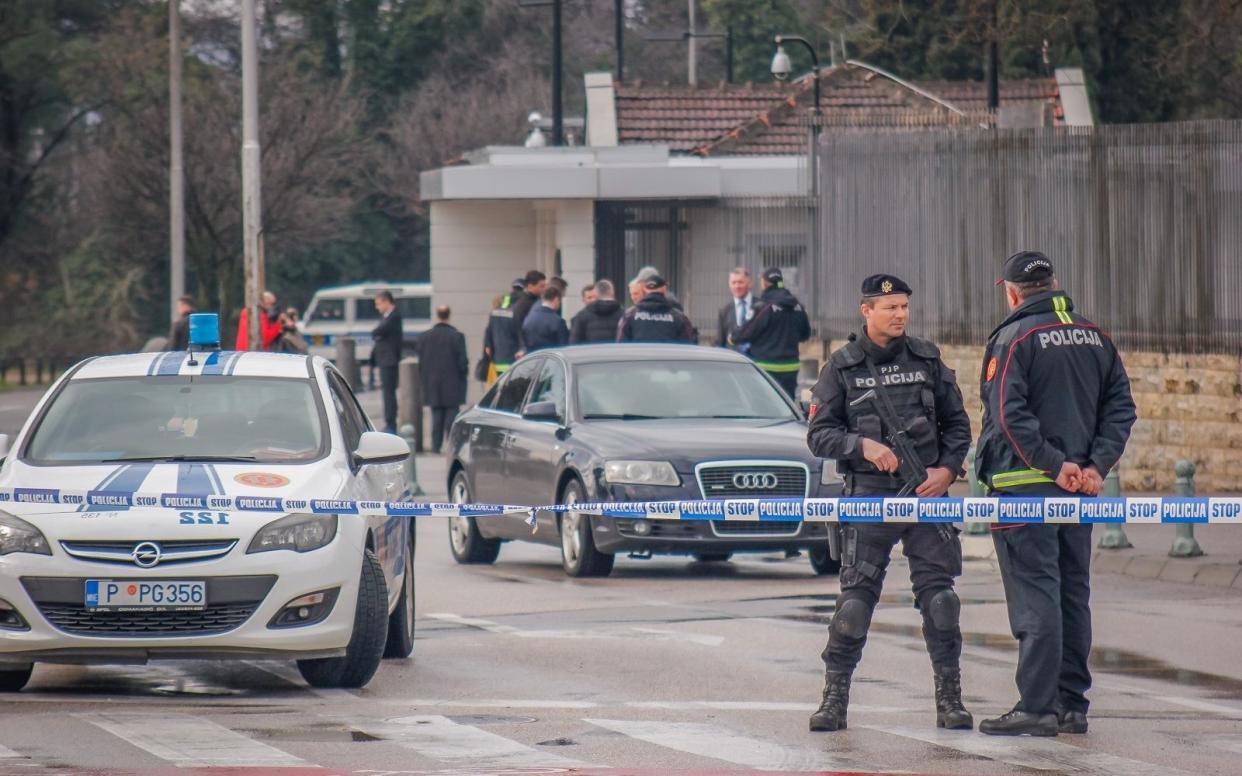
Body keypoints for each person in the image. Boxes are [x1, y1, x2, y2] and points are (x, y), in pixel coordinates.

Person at [976, 252, 1136, 737]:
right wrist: (1093, 467)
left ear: (1010, 291)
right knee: (1072, 595)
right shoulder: (1097, 336)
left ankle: (1036, 706)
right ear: (1055, 283)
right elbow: (1121, 410)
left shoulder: (1014, 337)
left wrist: (1053, 464)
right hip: (1078, 493)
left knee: (1036, 598)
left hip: (1024, 490)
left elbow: (1008, 415)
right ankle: (1072, 705)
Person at [805, 273, 973, 733]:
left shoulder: (927, 359)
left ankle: (950, 698)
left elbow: (958, 426)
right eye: (890, 308)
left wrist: (947, 470)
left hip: (926, 496)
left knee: (941, 601)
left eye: (904, 307)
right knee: (855, 606)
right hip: (870, 499)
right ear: (867, 310)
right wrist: (861, 446)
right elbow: (818, 435)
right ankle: (834, 698)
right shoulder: (841, 367)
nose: (900, 314)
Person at [731, 268, 810, 398]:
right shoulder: (797, 306)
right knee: (786, 406)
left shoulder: (764, 306)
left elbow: (744, 333)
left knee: (763, 406)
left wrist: (731, 338)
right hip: (790, 368)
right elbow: (805, 334)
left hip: (765, 368)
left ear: (764, 283)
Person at [414, 305, 468, 454]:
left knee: (436, 414)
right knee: (452, 414)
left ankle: (435, 446)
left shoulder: (424, 337)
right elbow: (463, 362)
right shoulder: (457, 336)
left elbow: (421, 362)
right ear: (449, 316)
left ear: (437, 316)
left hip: (432, 382)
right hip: (453, 381)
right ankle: (451, 445)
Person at [616, 275, 696, 343]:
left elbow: (621, 345)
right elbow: (688, 345)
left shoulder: (630, 315)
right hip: (669, 360)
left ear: (645, 290)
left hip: (639, 360)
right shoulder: (679, 317)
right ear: (664, 289)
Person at [371, 290, 404, 434]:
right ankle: (389, 422)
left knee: (389, 393)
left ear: (386, 301)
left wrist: (377, 335)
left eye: (378, 304)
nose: (377, 307)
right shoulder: (386, 316)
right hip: (384, 358)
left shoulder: (394, 316)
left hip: (389, 359)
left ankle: (391, 423)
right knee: (387, 392)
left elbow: (378, 331)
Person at [482, 279, 523, 383]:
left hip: (498, 361)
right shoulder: (520, 306)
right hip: (515, 360)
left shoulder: (495, 313)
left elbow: (488, 340)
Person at [511, 270, 548, 357]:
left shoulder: (538, 301)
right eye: (541, 286)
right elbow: (518, 327)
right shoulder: (524, 305)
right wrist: (523, 348)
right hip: (529, 350)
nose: (545, 289)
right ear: (530, 286)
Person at [521, 286, 569, 352]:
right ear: (556, 299)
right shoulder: (558, 321)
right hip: (551, 359)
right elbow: (563, 348)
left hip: (532, 358)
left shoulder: (529, 318)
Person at [715, 268, 754, 349]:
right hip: (735, 359)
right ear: (729, 285)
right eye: (733, 283)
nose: (737, 286)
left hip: (756, 359)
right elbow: (720, 341)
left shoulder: (761, 307)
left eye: (740, 282)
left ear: (749, 284)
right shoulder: (724, 311)